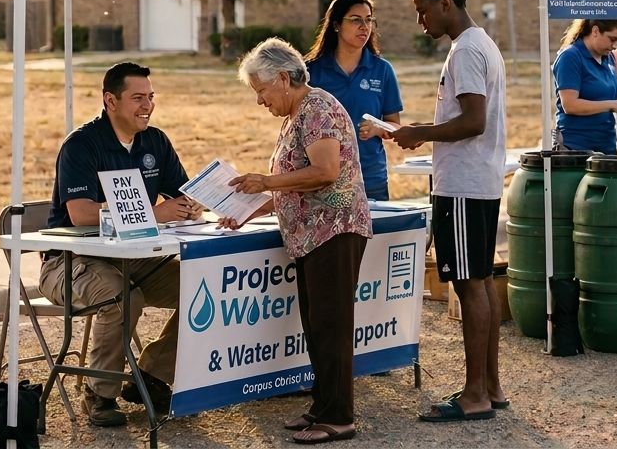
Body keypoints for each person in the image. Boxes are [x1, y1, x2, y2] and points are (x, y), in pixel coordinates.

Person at [222, 37, 373, 444]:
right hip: (312, 236)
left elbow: (325, 171)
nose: (260, 101)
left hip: (334, 230)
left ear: (283, 79)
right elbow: (294, 184)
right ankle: (322, 406)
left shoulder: (318, 108)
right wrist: (247, 211)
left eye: (262, 91)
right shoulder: (296, 115)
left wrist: (266, 181)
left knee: (332, 325)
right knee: (317, 324)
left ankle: (339, 417)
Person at [39, 62, 199, 427]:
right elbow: (81, 214)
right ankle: (99, 394)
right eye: (138, 98)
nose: (148, 106)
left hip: (132, 256)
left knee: (201, 286)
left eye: (151, 97)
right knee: (123, 297)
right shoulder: (81, 145)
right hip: (70, 261)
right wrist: (155, 214)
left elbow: (183, 195)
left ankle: (151, 376)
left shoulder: (155, 141)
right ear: (110, 101)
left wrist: (191, 206)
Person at [391, 0, 509, 422]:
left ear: (445, 3)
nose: (420, 21)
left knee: (468, 284)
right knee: (480, 281)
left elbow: (473, 121)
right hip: (479, 182)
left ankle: (474, 394)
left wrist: (420, 132)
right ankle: (490, 387)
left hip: (463, 185)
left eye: (423, 11)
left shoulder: (466, 51)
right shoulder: (482, 44)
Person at [306, 0, 404, 202]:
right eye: (356, 20)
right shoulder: (311, 72)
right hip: (323, 181)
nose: (364, 26)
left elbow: (395, 125)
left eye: (369, 20)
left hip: (370, 180)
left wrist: (378, 128)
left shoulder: (382, 70)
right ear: (336, 25)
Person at [553, 18, 617, 153]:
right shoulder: (570, 57)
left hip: (606, 144)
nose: (615, 46)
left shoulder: (609, 57)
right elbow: (570, 105)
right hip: (576, 146)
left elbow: (606, 98)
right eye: (612, 39)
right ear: (595, 31)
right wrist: (612, 105)